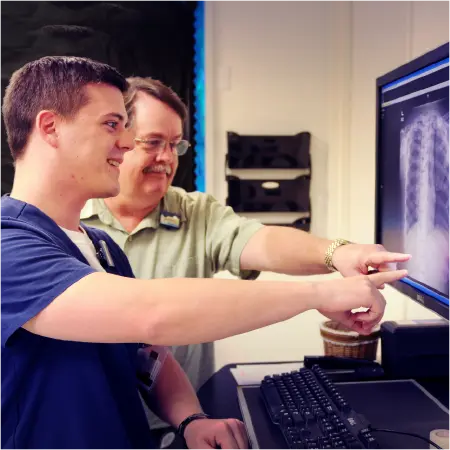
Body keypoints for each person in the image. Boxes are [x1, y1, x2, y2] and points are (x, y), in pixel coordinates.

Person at [0, 56, 407, 450]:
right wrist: (321, 295)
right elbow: (152, 315)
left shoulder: (100, 247)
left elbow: (145, 353)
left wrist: (191, 420)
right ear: (50, 127)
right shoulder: (9, 245)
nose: (124, 143)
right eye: (111, 125)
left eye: (126, 128)